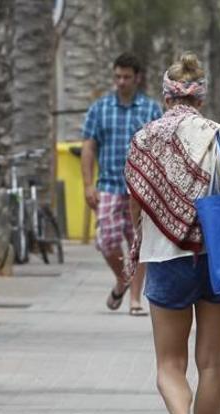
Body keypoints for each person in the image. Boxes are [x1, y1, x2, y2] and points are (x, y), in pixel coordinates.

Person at [125, 53, 220, 414]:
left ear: (165, 95)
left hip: (165, 258)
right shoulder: (218, 139)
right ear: (201, 96)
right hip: (217, 260)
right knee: (212, 363)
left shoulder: (146, 138)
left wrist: (161, 224)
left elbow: (135, 204)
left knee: (169, 364)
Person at [81, 52, 162, 316]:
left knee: (139, 243)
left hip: (140, 190)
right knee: (106, 240)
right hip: (108, 186)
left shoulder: (151, 110)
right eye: (117, 76)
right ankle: (122, 279)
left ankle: (135, 299)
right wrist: (87, 185)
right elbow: (89, 147)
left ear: (137, 78)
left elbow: (160, 149)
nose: (121, 81)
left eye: (127, 77)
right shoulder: (100, 108)